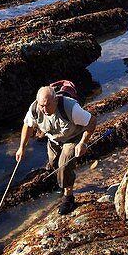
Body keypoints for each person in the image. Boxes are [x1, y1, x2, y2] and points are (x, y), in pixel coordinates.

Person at [16, 85, 97, 215]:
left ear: (56, 100)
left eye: (48, 105)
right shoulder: (35, 109)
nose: (44, 109)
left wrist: (83, 143)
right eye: (42, 105)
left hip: (73, 137)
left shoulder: (71, 108)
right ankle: (63, 181)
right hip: (54, 140)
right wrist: (21, 148)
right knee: (54, 164)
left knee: (64, 165)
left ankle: (68, 197)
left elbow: (92, 121)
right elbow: (28, 125)